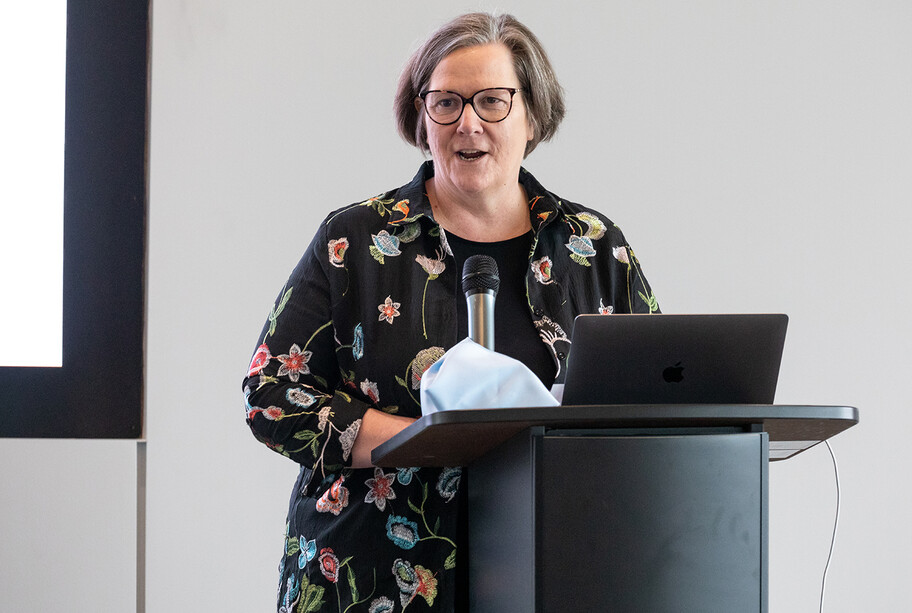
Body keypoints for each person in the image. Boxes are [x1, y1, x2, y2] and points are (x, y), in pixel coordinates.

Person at [244, 12, 658, 613]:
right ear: (421, 117)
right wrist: (417, 441)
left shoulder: (593, 246)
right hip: (373, 575)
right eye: (446, 102)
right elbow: (271, 393)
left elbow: (651, 400)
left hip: (555, 568)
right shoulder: (355, 241)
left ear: (533, 114)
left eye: (492, 101)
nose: (469, 122)